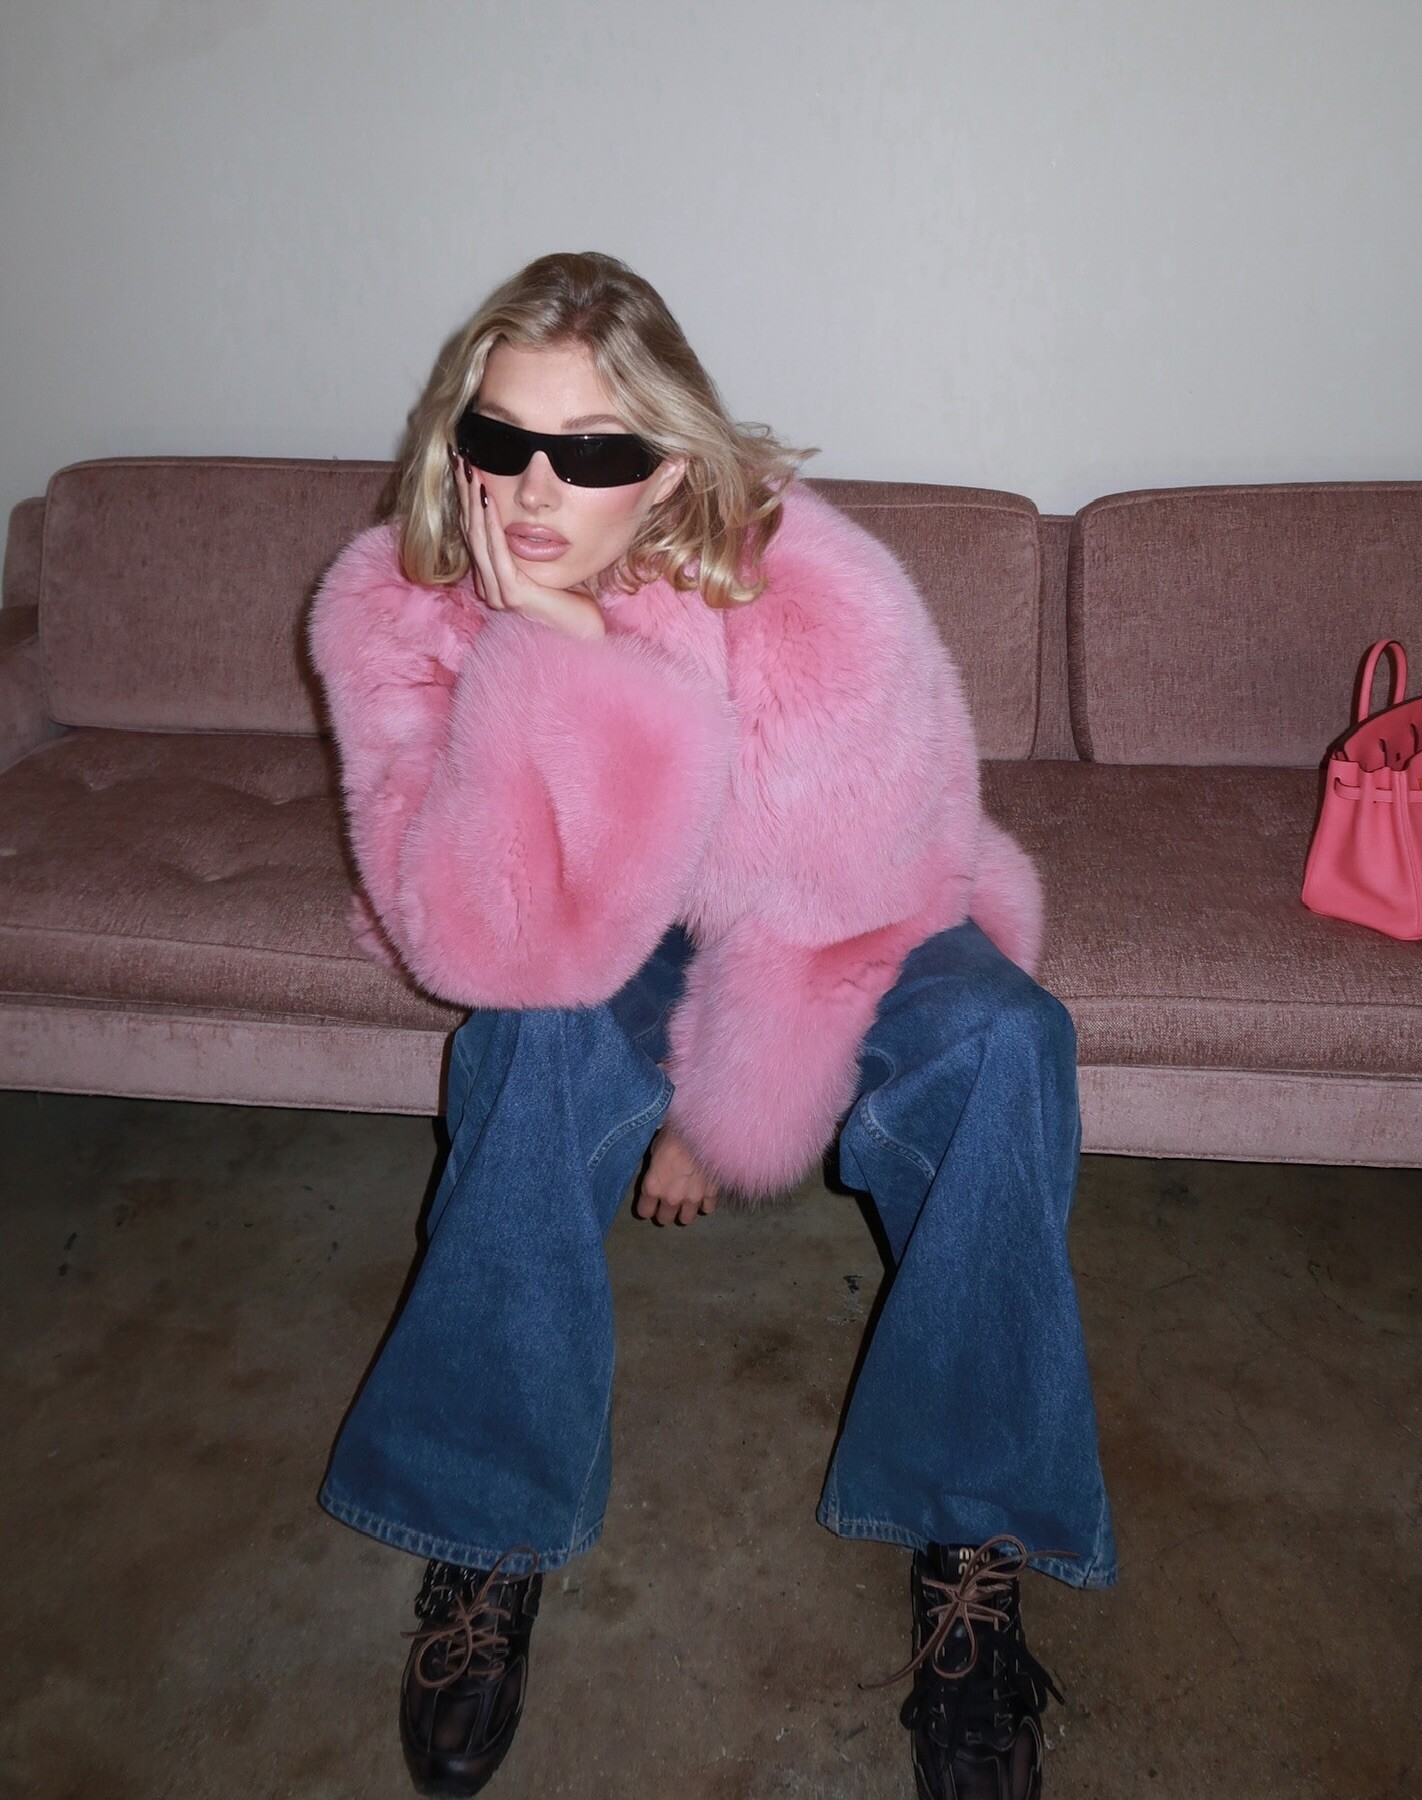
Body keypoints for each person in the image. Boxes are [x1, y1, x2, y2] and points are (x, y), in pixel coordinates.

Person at [308, 250, 1116, 1800]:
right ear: (455, 438)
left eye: (591, 449)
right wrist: (558, 661)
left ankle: (969, 1542)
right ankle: (486, 1531)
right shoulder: (396, 607)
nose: (534, 490)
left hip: (846, 923)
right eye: (498, 438)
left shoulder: (808, 594)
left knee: (1008, 1045)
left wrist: (718, 1103)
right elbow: (482, 944)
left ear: (671, 462)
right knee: (528, 1049)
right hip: (584, 942)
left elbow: (853, 889)